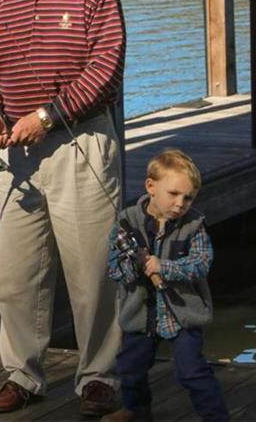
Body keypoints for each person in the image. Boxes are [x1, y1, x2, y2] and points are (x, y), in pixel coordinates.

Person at [0, 0, 126, 416]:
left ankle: (98, 376)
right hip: (14, 154)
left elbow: (105, 70)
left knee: (93, 271)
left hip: (81, 144)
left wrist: (48, 117)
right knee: (15, 275)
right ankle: (23, 375)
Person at [102, 149, 229, 422]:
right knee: (130, 368)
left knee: (193, 372)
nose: (180, 203)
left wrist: (163, 267)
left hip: (182, 315)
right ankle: (136, 410)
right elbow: (114, 270)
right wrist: (134, 264)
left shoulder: (194, 226)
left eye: (188, 197)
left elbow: (201, 265)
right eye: (173, 194)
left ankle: (216, 417)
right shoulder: (126, 221)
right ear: (151, 186)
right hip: (140, 314)